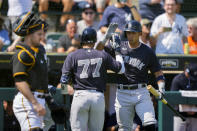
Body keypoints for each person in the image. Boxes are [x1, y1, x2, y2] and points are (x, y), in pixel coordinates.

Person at [97, 20, 165, 131]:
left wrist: (161, 88)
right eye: (128, 32)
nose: (130, 35)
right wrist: (106, 37)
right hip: (122, 93)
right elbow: (97, 50)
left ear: (140, 33)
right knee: (124, 128)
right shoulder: (119, 46)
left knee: (150, 124)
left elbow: (158, 72)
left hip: (141, 92)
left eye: (133, 33)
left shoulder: (147, 51)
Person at [60, 27, 125, 131]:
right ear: (95, 40)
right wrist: (117, 51)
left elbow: (63, 80)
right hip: (97, 97)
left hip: (80, 96)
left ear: (82, 40)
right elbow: (121, 69)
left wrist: (64, 99)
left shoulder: (72, 55)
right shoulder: (103, 54)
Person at [11, 12, 52, 130]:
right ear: (29, 35)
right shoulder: (22, 53)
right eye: (39, 34)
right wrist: (35, 103)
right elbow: (20, 82)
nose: (42, 37)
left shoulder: (38, 51)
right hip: (27, 101)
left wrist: (51, 101)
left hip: (39, 99)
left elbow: (43, 78)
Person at [171, 63, 197, 131]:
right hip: (180, 115)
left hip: (195, 115)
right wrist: (187, 109)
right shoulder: (178, 79)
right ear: (186, 71)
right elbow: (173, 98)